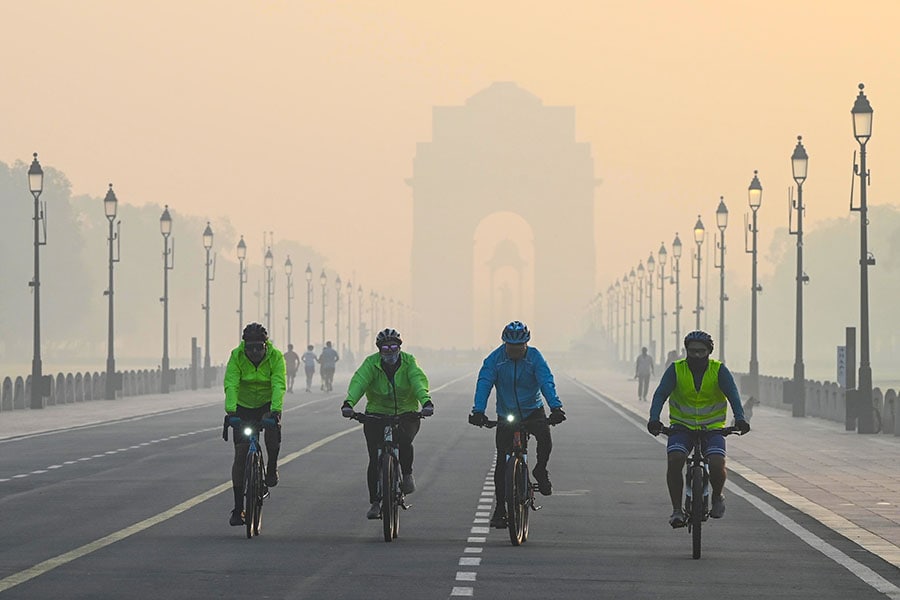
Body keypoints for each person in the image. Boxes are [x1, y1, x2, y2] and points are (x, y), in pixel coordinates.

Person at [646, 330, 750, 528]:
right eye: (692, 351)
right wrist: (653, 419)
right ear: (686, 351)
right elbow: (660, 395)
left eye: (701, 351)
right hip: (681, 426)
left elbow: (733, 396)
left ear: (709, 352)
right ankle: (677, 510)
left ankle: (717, 496)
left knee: (717, 462)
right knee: (675, 459)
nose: (696, 355)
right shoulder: (676, 369)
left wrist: (740, 419)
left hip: (712, 428)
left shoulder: (719, 370)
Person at [468, 320, 566, 529]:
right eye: (510, 347)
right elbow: (484, 382)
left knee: (545, 439)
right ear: (504, 344)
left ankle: (540, 470)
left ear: (526, 345)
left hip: (533, 410)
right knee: (502, 463)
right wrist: (478, 411)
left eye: (519, 347)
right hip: (507, 413)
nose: (514, 351)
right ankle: (500, 508)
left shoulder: (535, 358)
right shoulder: (495, 359)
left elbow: (546, 380)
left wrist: (556, 407)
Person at [340, 328, 434, 519]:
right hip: (376, 413)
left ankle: (407, 474)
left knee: (405, 441)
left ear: (399, 347)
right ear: (379, 350)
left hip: (405, 413)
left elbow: (418, 382)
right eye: (385, 348)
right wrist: (349, 403)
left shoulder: (409, 362)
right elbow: (360, 381)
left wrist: (426, 402)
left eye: (393, 347)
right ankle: (375, 502)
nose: (390, 351)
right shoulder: (371, 364)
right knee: (374, 459)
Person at [223, 323, 286, 526]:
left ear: (266, 345)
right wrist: (231, 411)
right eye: (250, 347)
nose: (255, 352)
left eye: (259, 347)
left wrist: (275, 410)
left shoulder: (276, 357)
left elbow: (278, 383)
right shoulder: (237, 356)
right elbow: (231, 383)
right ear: (245, 346)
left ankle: (272, 466)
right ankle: (238, 508)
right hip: (243, 405)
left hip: (267, 403)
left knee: (271, 432)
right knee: (241, 454)